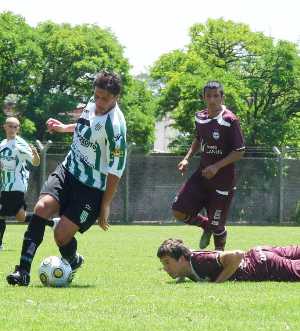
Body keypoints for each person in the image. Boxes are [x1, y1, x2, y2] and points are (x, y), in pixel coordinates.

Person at [6, 70, 127, 286]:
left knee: (61, 236)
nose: (98, 102)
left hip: (91, 188)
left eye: (105, 99)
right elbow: (86, 125)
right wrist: (64, 128)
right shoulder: (93, 102)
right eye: (96, 96)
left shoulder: (115, 128)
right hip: (68, 170)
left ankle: (73, 259)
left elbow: (116, 170)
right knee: (42, 208)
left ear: (116, 98)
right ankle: (22, 272)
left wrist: (105, 205)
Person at [172, 81, 245, 251]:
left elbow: (239, 151)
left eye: (216, 96)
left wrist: (217, 167)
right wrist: (186, 158)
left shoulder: (230, 120)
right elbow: (198, 139)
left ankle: (218, 261)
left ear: (222, 97)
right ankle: (207, 226)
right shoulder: (200, 117)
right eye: (208, 96)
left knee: (218, 227)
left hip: (223, 182)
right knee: (178, 211)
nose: (212, 100)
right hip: (202, 176)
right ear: (204, 97)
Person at [157, 238, 300, 283]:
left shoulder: (200, 261)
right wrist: (180, 277)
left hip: (264, 265)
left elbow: (237, 255)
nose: (165, 268)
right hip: (259, 253)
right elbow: (184, 265)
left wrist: (216, 283)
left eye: (167, 262)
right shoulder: (186, 261)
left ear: (181, 259)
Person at [0, 117, 40, 249]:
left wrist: (35, 155)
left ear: (18, 129)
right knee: (21, 217)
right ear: (4, 127)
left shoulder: (20, 144)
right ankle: (50, 222)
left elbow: (35, 162)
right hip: (5, 185)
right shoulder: (2, 144)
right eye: (10, 126)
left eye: (15, 127)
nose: (13, 129)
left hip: (17, 185)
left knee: (3, 214)